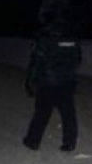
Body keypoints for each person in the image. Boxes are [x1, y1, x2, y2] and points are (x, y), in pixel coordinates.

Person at [22, 9, 82, 152]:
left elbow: (36, 61)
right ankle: (69, 143)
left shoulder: (44, 36)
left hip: (48, 82)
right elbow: (78, 59)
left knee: (42, 113)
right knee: (68, 114)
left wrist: (30, 81)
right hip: (67, 81)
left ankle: (32, 141)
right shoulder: (72, 36)